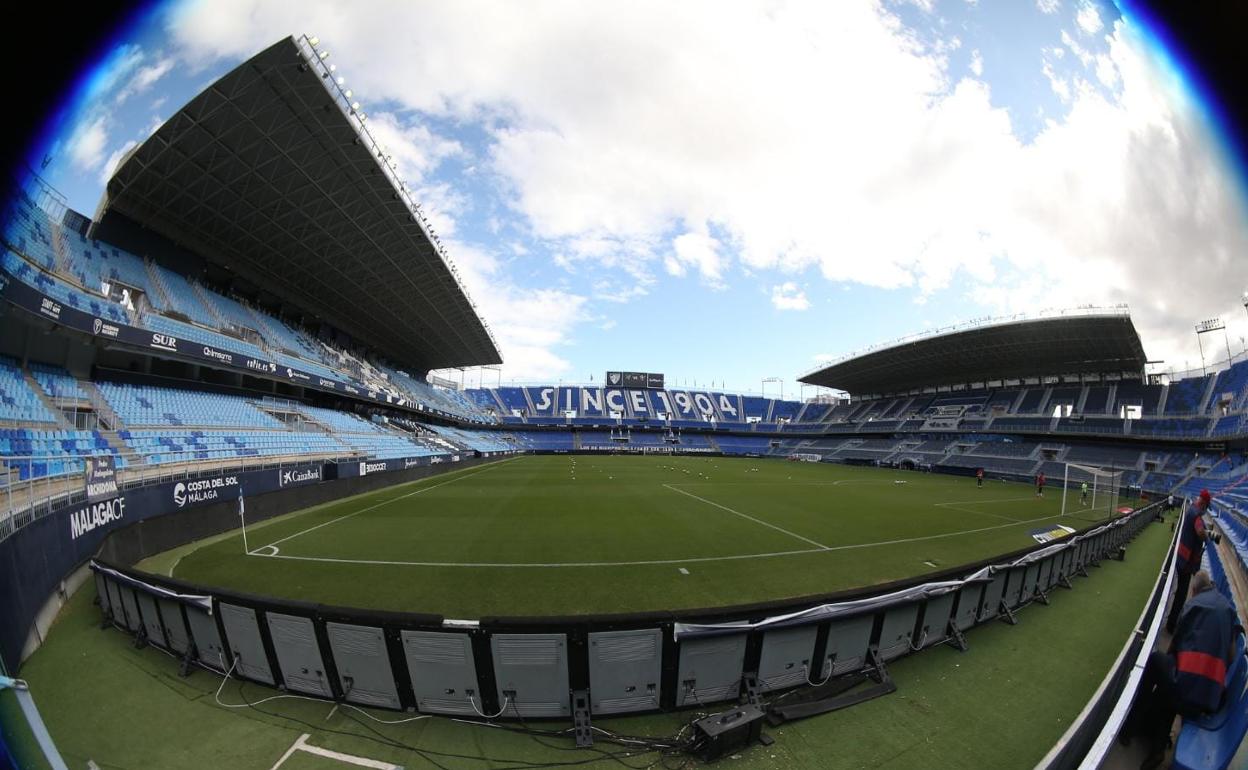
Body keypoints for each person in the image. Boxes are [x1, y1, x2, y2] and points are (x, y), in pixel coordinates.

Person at [1123, 571, 1241, 769]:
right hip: (1211, 698)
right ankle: (1156, 749)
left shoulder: (1192, 605)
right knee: (1171, 687)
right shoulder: (1229, 610)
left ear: (1194, 591)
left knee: (1158, 665)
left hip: (1186, 693)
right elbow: (1230, 657)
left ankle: (1129, 728)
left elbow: (1174, 647)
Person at [1166, 490, 1212, 634]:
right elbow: (1199, 532)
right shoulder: (1197, 514)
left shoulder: (1192, 509)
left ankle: (1172, 622)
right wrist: (1208, 537)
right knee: (1181, 595)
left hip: (1182, 557)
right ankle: (1171, 625)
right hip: (1187, 561)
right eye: (1206, 506)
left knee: (1180, 592)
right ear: (1203, 503)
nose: (1206, 510)